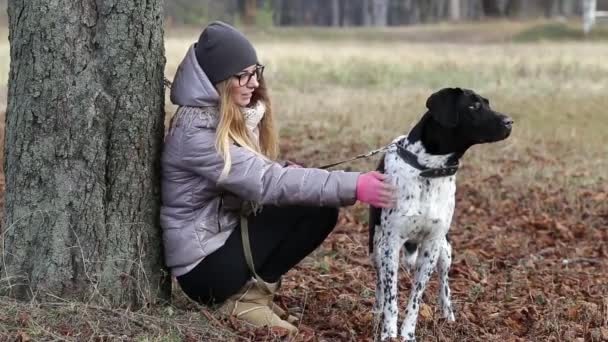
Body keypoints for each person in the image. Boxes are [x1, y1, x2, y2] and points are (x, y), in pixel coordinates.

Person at [160, 21, 395, 332]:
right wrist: (355, 184)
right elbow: (265, 181)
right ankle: (242, 303)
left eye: (256, 71)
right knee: (310, 206)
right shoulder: (196, 132)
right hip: (203, 268)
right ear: (218, 81)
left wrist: (287, 169)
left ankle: (252, 297)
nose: (254, 82)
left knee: (317, 209)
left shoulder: (223, 115)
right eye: (242, 75)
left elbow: (253, 173)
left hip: (222, 240)